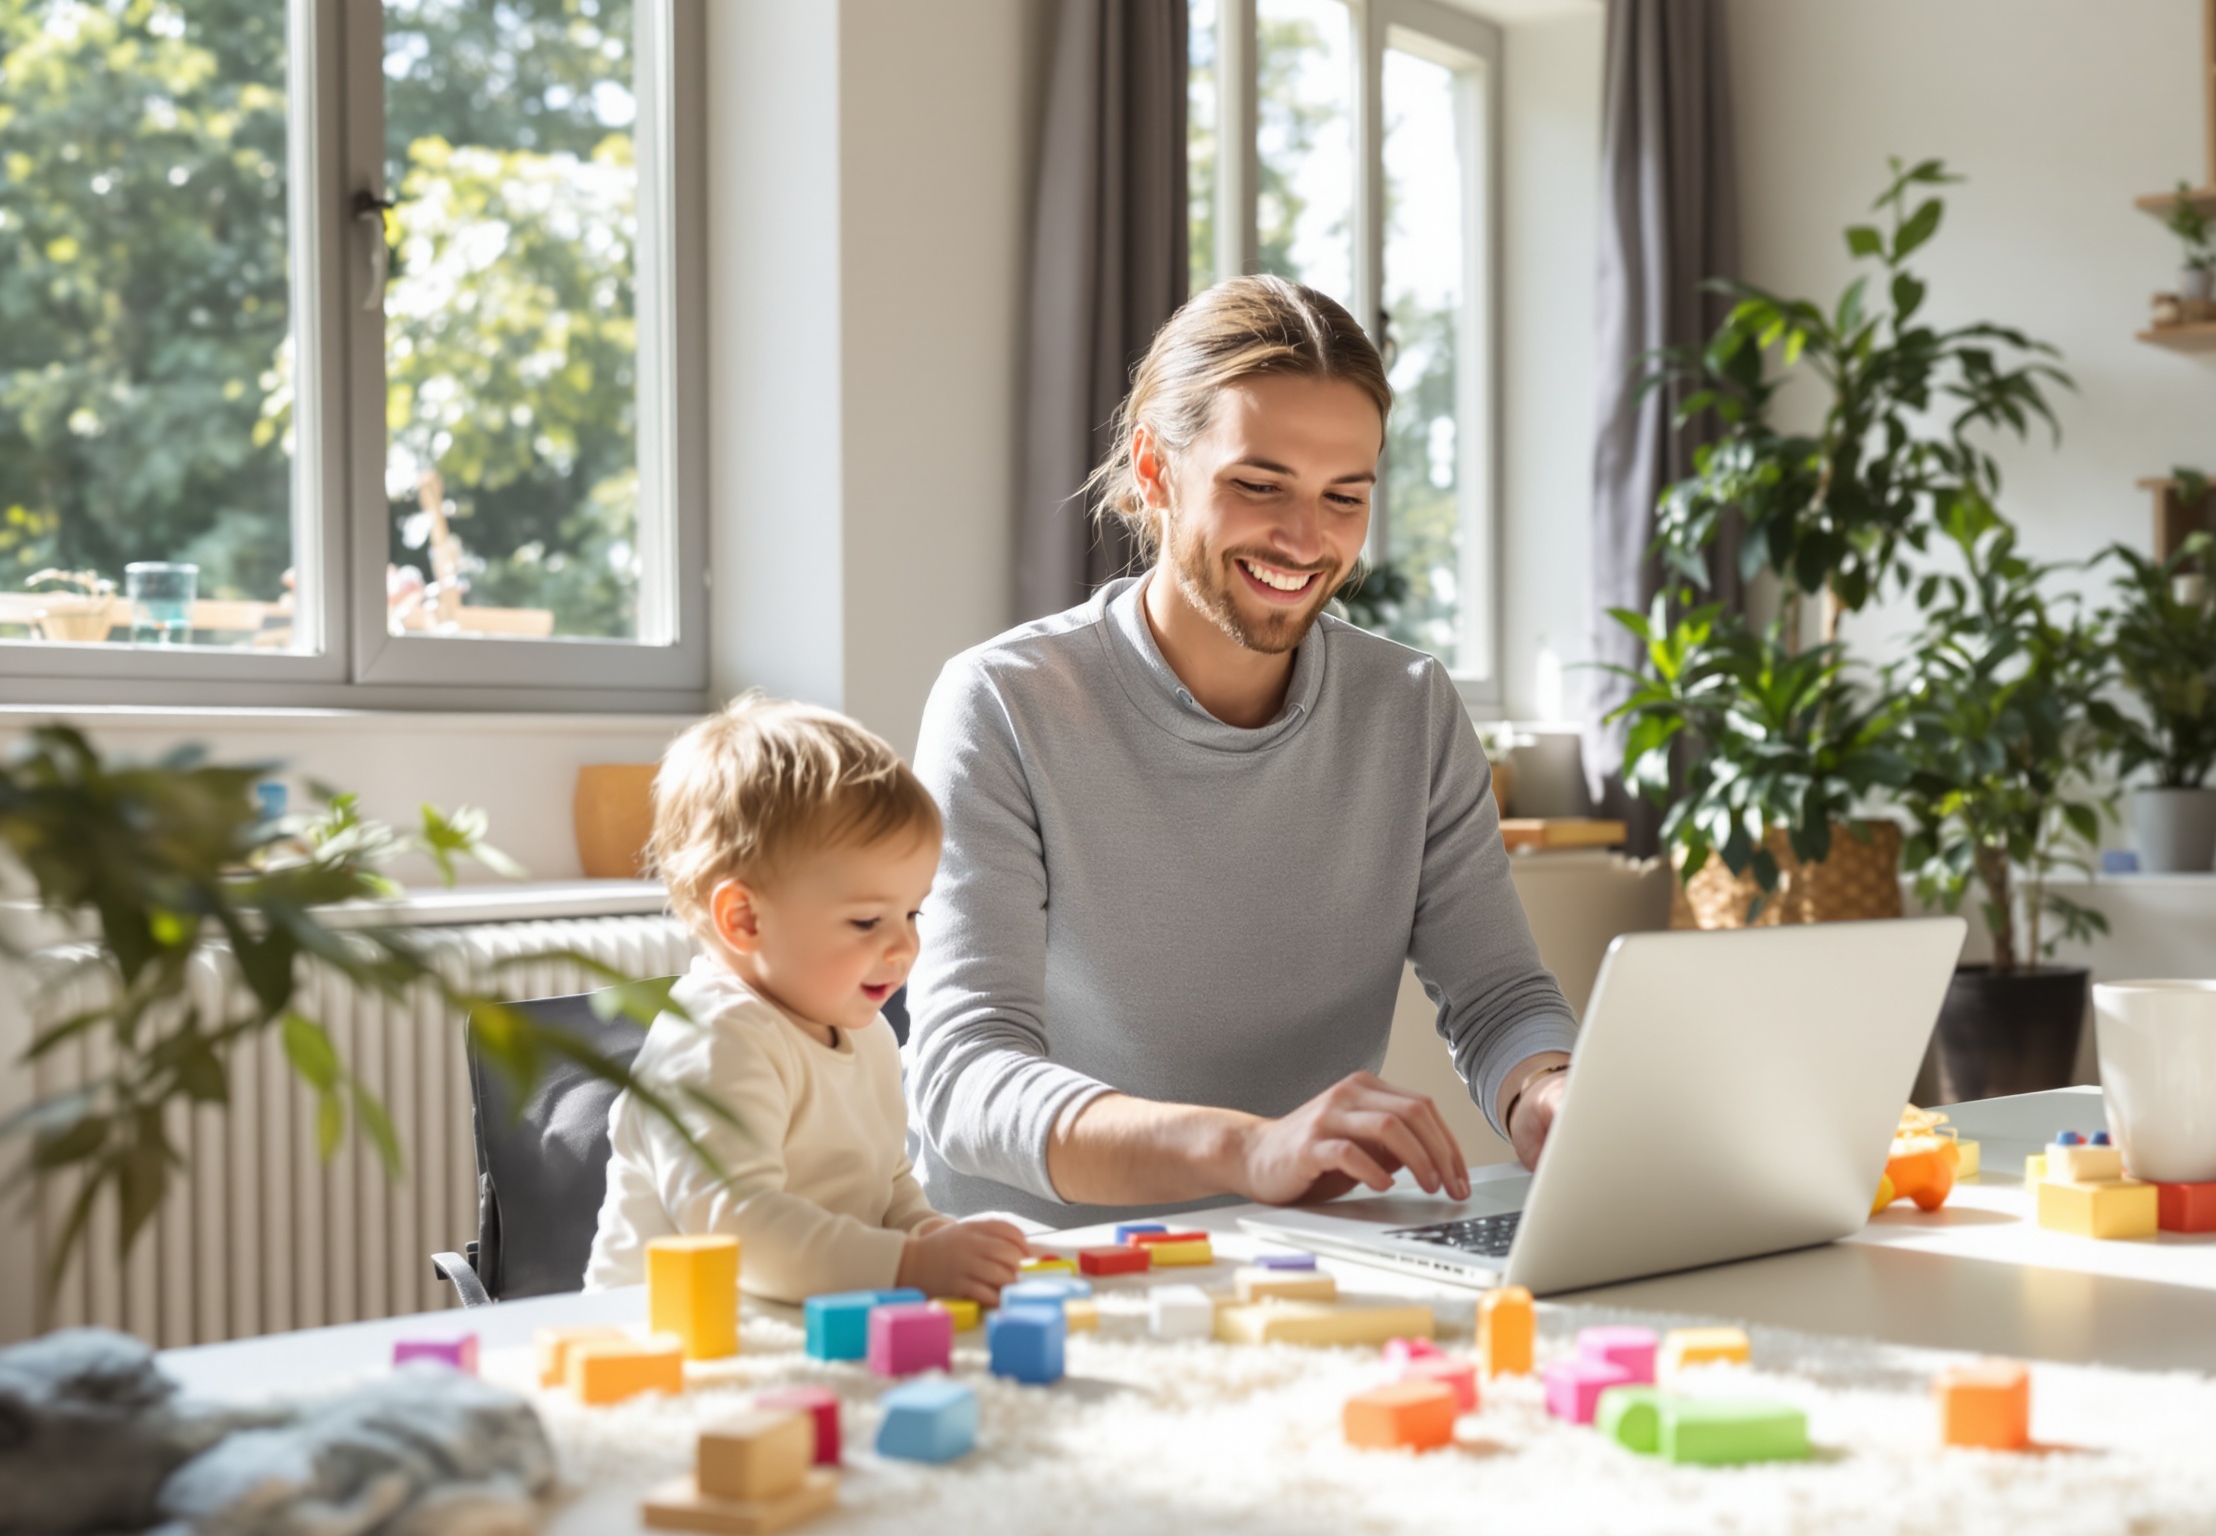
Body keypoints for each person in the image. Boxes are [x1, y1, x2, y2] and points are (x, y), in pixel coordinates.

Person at [905, 275, 1578, 1227]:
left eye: (1345, 496)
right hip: (1034, 1273)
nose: (1306, 540)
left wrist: (1547, 1093)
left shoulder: (1410, 708)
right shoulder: (1005, 703)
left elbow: (1500, 997)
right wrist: (1246, 1148)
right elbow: (965, 1077)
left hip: (1296, 1259)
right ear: (1153, 471)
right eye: (1258, 485)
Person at [585, 694, 1032, 1302]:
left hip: (803, 1327)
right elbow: (736, 1229)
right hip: (662, 1347)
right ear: (744, 919)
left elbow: (888, 1183)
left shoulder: (867, 1030)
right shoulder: (713, 1040)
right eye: (867, 922)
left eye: (912, 912)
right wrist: (909, 1265)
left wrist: (932, 1237)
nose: (905, 946)